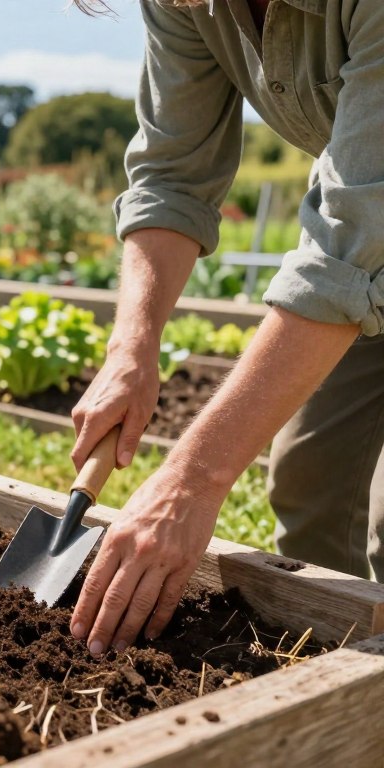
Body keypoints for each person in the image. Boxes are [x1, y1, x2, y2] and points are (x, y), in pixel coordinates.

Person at [68, 0, 384, 657]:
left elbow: (351, 242)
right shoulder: (186, 2)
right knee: (312, 484)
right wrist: (132, 347)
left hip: (365, 232)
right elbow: (171, 175)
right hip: (367, 238)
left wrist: (192, 480)